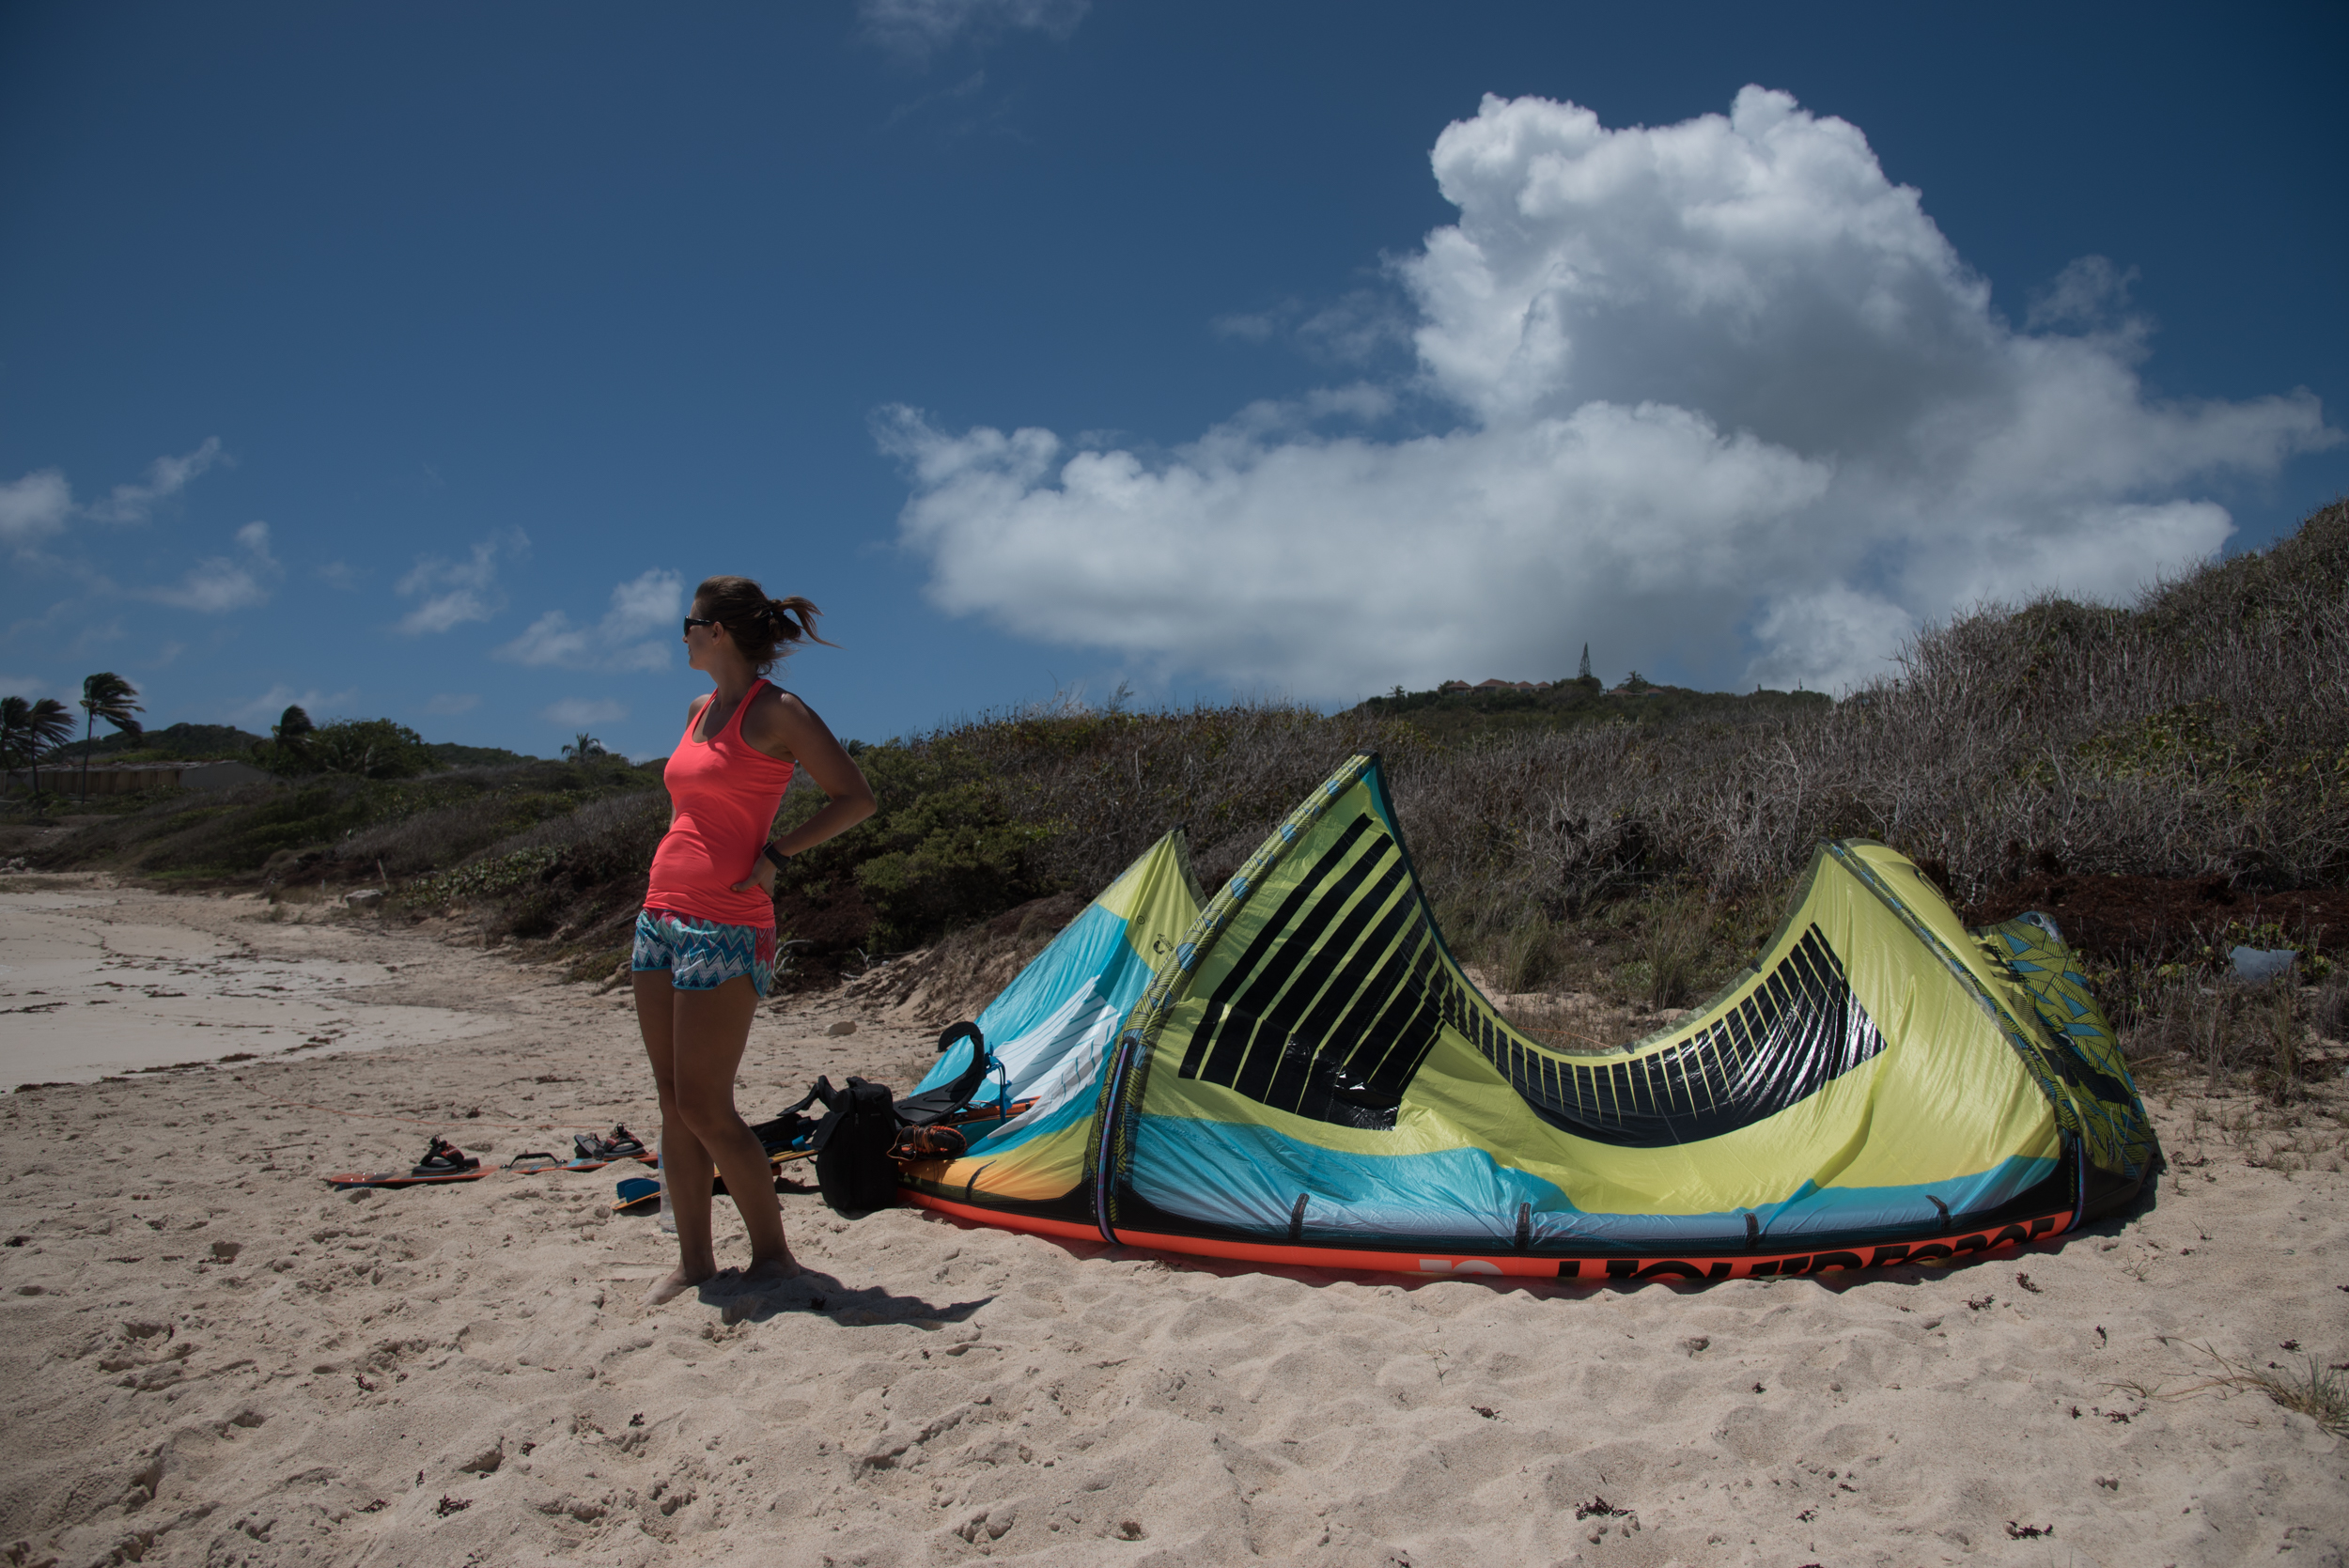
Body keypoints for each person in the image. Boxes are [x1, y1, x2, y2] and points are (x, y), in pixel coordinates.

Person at [632, 575, 875, 1306]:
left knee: (708, 1104)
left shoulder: (780, 712)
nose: (683, 634)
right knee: (673, 1100)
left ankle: (773, 1254)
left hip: (727, 924)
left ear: (722, 632)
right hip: (660, 915)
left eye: (691, 622)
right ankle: (696, 1261)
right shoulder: (695, 709)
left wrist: (776, 857)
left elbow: (855, 797)